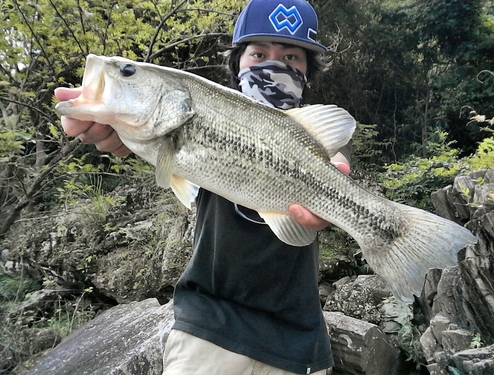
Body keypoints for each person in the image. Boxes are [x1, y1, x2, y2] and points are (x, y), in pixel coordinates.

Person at [54, 1, 352, 374]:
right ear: (237, 63)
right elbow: (157, 138)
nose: (274, 65)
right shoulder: (193, 115)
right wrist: (116, 129)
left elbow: (338, 168)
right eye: (258, 53)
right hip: (208, 330)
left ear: (308, 72)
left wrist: (340, 198)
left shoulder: (319, 145)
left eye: (291, 56)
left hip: (300, 342)